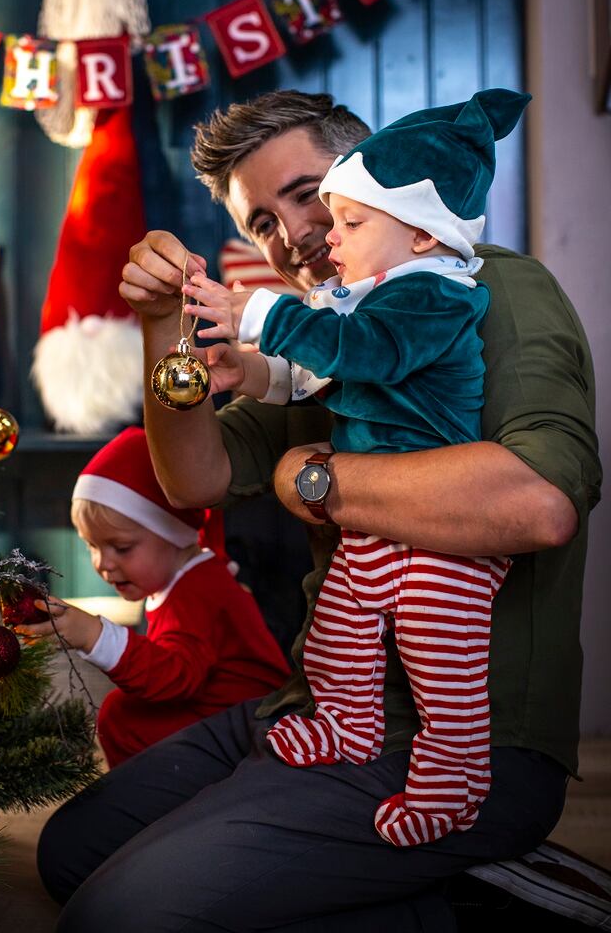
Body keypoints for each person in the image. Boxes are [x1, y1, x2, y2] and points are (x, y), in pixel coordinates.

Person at [38, 90, 601, 933]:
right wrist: (163, 325)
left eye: (306, 195)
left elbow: (540, 501)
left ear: (372, 185)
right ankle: (436, 889)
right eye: (260, 221)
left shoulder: (486, 286)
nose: (293, 234)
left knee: (117, 915)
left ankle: (471, 903)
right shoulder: (326, 330)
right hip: (313, 707)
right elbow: (193, 477)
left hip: (464, 742)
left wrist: (317, 478)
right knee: (71, 852)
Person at [182, 89, 528, 849]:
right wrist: (252, 373)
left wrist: (256, 314)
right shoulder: (360, 294)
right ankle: (345, 723)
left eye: (336, 211)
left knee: (445, 670)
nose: (316, 236)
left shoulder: (441, 294)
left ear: (422, 232)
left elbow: (359, 353)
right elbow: (311, 376)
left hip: (444, 546)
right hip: (377, 541)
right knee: (339, 633)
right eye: (263, 223)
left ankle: (452, 780)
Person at [22, 426, 288, 768]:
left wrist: (95, 636)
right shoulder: (179, 578)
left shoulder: (198, 587)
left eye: (121, 547)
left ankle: (160, 805)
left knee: (123, 719)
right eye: (92, 545)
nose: (102, 563)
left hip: (255, 725)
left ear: (171, 533)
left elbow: (177, 678)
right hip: (227, 713)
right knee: (123, 715)